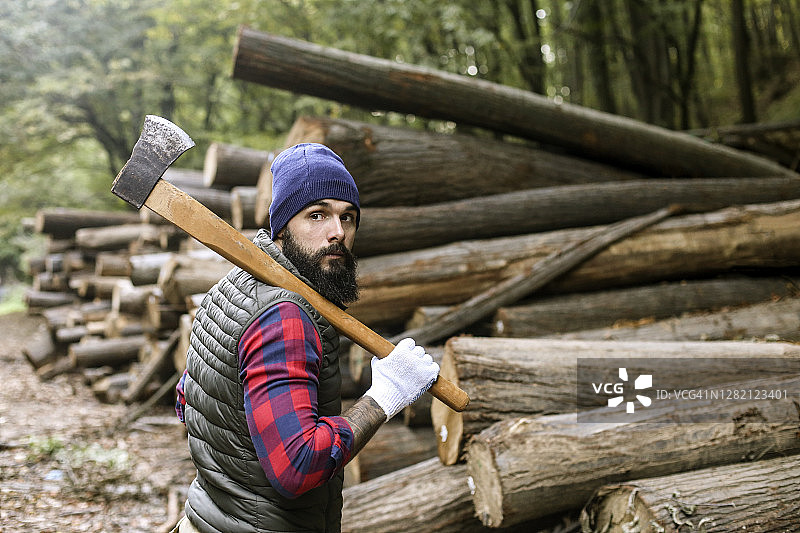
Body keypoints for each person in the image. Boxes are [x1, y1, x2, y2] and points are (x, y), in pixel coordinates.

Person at [172, 143, 439, 533]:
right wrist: (385, 396)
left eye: (348, 217)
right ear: (283, 225)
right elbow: (298, 467)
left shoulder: (231, 289)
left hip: (206, 519)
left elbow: (187, 399)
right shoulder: (284, 316)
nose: (337, 232)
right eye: (317, 215)